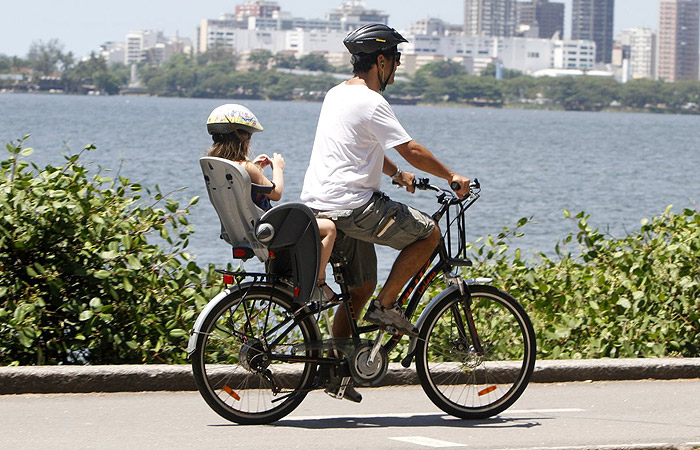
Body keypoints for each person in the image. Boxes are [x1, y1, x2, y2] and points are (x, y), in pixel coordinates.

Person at [300, 24, 471, 402]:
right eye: (395, 59)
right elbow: (410, 147)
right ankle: (387, 307)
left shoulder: (336, 94)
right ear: (380, 60)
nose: (397, 67)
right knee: (428, 234)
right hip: (354, 206)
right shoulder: (373, 101)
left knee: (358, 288)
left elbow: (359, 149)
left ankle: (337, 370)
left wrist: (396, 174)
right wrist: (451, 175)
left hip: (322, 204)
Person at [206, 104, 340, 302]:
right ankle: (317, 284)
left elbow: (247, 186)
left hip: (238, 230)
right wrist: (278, 167)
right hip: (264, 228)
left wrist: (256, 169)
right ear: (241, 137)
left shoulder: (216, 165)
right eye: (249, 136)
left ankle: (290, 276)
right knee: (328, 228)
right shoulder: (247, 167)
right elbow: (276, 192)